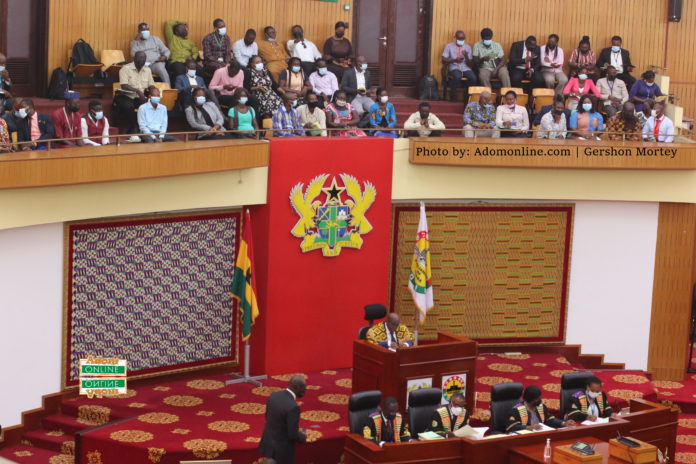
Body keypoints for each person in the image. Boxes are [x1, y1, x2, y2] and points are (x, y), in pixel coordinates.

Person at [258, 375, 307, 464]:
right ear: (296, 387)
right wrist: (303, 436)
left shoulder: (274, 395)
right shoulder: (293, 407)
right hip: (282, 450)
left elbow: (267, 416)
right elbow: (292, 434)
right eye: (304, 387)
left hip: (268, 442)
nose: (305, 390)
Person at [505, 385, 575, 433]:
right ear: (531, 399)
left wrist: (563, 423)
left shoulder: (541, 407)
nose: (540, 400)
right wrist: (529, 427)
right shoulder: (516, 410)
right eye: (538, 399)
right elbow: (511, 427)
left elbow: (550, 419)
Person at [115, 51, 154, 135]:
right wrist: (138, 91)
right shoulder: (125, 68)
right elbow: (124, 85)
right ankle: (134, 126)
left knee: (151, 104)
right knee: (128, 106)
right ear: (134, 58)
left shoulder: (147, 70)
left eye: (144, 58)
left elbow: (151, 85)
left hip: (141, 97)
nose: (142, 60)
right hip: (126, 96)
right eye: (140, 58)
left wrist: (154, 92)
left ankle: (149, 128)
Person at [442, 30, 477, 102]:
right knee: (457, 76)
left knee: (473, 78)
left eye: (463, 39)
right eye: (459, 39)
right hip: (454, 66)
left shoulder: (468, 47)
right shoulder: (449, 46)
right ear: (455, 38)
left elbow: (470, 64)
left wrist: (466, 56)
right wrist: (454, 60)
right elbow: (443, 59)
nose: (461, 41)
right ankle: (453, 97)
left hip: (465, 67)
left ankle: (467, 98)